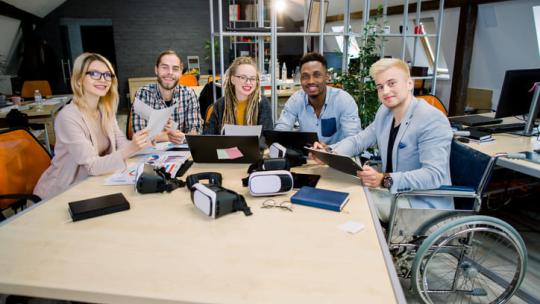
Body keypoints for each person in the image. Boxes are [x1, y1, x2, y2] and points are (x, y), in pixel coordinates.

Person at [313, 58, 453, 221]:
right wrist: (329, 152)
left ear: (409, 84)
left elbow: (433, 175)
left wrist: (385, 179)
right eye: (380, 86)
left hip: (421, 203)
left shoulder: (432, 119)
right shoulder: (385, 112)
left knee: (353, 204)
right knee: (344, 192)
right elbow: (359, 140)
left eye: (392, 83)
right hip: (394, 194)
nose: (385, 91)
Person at [34, 53, 151, 200]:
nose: (103, 79)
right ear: (78, 80)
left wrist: (150, 137)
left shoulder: (105, 110)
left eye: (108, 75)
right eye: (94, 74)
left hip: (94, 184)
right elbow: (92, 166)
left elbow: (122, 145)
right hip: (63, 192)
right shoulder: (68, 117)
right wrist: (131, 148)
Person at [274, 52, 361, 145]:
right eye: (305, 76)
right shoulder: (296, 100)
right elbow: (281, 131)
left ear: (327, 76)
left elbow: (354, 139)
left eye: (317, 75)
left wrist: (329, 149)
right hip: (309, 157)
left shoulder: (343, 100)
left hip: (337, 156)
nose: (311, 81)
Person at [131, 50, 203, 143]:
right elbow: (139, 135)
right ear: (156, 70)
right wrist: (172, 136)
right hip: (150, 153)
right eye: (164, 67)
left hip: (182, 153)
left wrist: (156, 135)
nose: (170, 72)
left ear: (181, 72)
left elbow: (195, 132)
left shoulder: (189, 94)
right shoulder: (143, 94)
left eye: (175, 69)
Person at [204, 56, 272, 135]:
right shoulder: (220, 105)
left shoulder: (262, 103)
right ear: (232, 79)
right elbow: (209, 135)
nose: (248, 82)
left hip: (254, 147)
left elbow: (267, 137)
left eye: (253, 78)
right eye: (243, 77)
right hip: (225, 147)